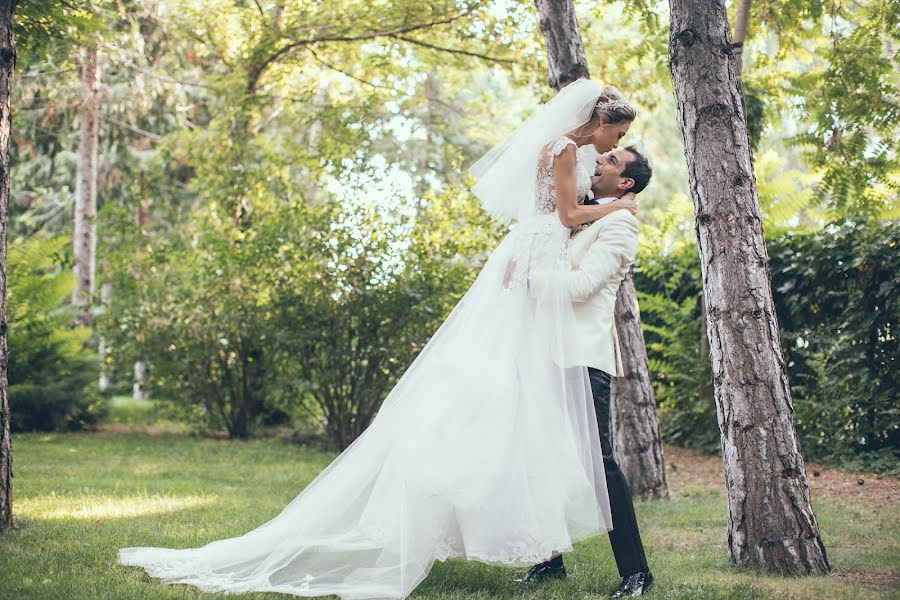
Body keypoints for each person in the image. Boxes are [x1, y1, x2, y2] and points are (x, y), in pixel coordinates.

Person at [118, 79, 639, 600]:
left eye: (618, 145)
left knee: (519, 406)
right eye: (616, 132)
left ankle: (561, 559)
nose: (612, 145)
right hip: (536, 260)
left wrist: (598, 216)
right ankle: (553, 559)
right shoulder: (569, 150)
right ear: (600, 119)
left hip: (533, 265)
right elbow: (569, 216)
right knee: (517, 402)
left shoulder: (563, 152)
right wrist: (616, 208)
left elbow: (568, 226)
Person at [521, 146, 654, 598]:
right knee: (542, 455)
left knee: (600, 461)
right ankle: (549, 562)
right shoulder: (585, 214)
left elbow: (582, 287)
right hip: (549, 352)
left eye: (612, 160)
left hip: (584, 356)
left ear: (625, 184)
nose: (599, 160)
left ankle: (637, 572)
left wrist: (530, 281)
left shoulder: (620, 223)